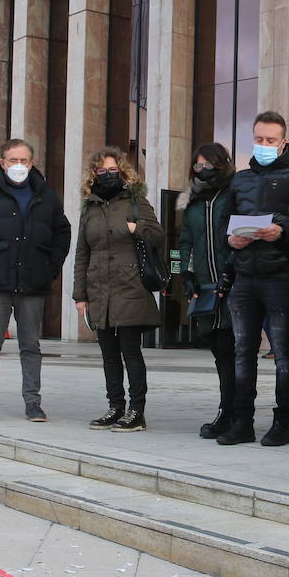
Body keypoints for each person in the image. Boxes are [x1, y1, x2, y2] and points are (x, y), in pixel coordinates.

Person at [0, 138, 72, 422]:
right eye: (13, 160)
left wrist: (50, 268)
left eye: (24, 161)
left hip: (32, 284)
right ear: (2, 162)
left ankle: (33, 403)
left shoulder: (46, 195)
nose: (19, 166)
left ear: (31, 163)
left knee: (31, 346)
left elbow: (63, 233)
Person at [222, 110, 289, 447]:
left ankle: (282, 424)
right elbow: (223, 225)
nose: (264, 145)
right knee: (243, 352)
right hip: (244, 277)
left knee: (283, 353)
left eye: (271, 140)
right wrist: (230, 240)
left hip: (282, 277)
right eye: (259, 139)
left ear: (282, 142)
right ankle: (242, 422)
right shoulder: (239, 179)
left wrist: (283, 231)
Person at [73, 146, 165, 432]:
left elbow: (158, 236)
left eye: (113, 170)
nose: (108, 175)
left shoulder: (137, 202)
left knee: (130, 351)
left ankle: (136, 411)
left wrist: (136, 228)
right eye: (102, 171)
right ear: (94, 175)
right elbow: (82, 253)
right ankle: (115, 407)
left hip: (130, 288)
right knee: (108, 354)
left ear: (123, 172)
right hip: (100, 290)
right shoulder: (90, 208)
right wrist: (80, 295)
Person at [176, 142, 237, 439]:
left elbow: (241, 236)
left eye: (208, 165)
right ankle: (227, 410)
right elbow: (183, 242)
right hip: (204, 289)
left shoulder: (234, 195)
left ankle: (235, 412)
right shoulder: (193, 203)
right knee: (219, 352)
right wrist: (184, 275)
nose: (202, 171)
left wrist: (232, 271)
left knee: (233, 350)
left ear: (222, 163)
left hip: (233, 287)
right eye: (197, 166)